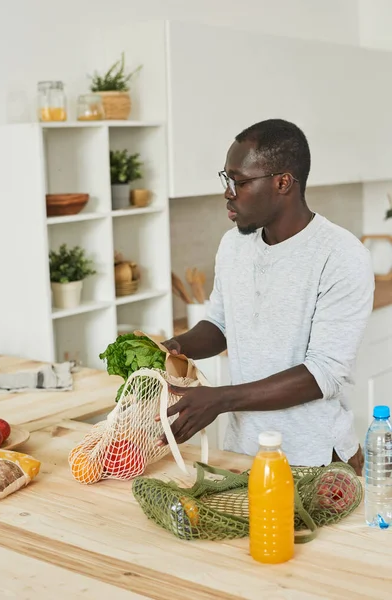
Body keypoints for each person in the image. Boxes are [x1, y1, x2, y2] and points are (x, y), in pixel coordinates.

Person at [159, 118, 375, 475]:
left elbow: (323, 374)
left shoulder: (341, 255)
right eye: (226, 179)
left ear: (282, 182)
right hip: (243, 453)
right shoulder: (233, 245)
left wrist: (220, 399)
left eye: (239, 181)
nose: (228, 192)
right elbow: (220, 324)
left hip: (315, 461)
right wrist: (171, 349)